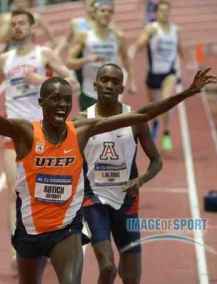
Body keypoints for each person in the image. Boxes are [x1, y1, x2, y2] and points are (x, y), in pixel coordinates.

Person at [0, 43, 215, 284]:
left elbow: (143, 115)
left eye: (67, 100)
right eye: (55, 99)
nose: (63, 105)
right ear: (41, 102)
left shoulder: (81, 130)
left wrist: (188, 91)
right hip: (30, 228)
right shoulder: (24, 132)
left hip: (66, 229)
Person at [0, 9, 79, 269]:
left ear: (32, 27)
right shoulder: (5, 59)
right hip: (14, 133)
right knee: (13, 192)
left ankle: (47, 240)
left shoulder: (44, 55)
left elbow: (72, 83)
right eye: (13, 23)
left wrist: (43, 80)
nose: (17, 27)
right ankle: (16, 247)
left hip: (42, 132)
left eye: (22, 23)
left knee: (41, 192)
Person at [76, 63, 163, 284]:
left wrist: (141, 180)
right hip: (94, 199)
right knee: (107, 268)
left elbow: (156, 161)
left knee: (132, 278)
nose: (109, 85)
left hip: (127, 200)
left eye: (115, 82)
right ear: (95, 85)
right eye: (104, 80)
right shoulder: (81, 120)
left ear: (122, 89)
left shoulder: (135, 119)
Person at [129, 0, 192, 150]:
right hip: (153, 75)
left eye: (167, 11)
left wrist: (187, 62)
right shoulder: (152, 29)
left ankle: (166, 132)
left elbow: (180, 47)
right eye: (161, 11)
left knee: (166, 102)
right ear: (156, 13)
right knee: (154, 106)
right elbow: (139, 43)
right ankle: (156, 122)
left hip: (169, 73)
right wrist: (132, 52)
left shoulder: (175, 30)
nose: (165, 13)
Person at [66, 0, 136, 111]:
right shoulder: (83, 36)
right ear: (95, 13)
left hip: (111, 93)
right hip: (89, 94)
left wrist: (132, 81)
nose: (106, 13)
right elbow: (69, 63)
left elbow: (126, 59)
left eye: (110, 11)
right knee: (91, 127)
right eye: (102, 10)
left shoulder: (118, 36)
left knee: (110, 127)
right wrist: (86, 59)